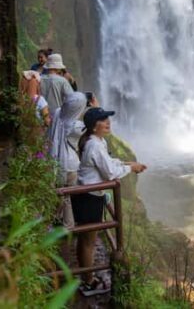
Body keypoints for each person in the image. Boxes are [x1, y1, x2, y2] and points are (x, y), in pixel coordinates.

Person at [73, 107, 146, 296]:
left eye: (108, 119)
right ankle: (88, 284)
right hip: (89, 197)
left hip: (88, 195)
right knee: (88, 241)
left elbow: (107, 163)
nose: (108, 123)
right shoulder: (95, 145)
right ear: (93, 126)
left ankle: (86, 278)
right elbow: (110, 173)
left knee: (85, 239)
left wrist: (127, 164)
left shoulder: (95, 141)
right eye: (103, 120)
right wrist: (130, 169)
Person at [47, 91, 88, 230]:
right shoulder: (77, 127)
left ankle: (53, 220)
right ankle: (68, 226)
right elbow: (93, 124)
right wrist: (94, 106)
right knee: (69, 197)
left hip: (55, 161)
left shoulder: (58, 113)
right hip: (71, 165)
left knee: (59, 193)